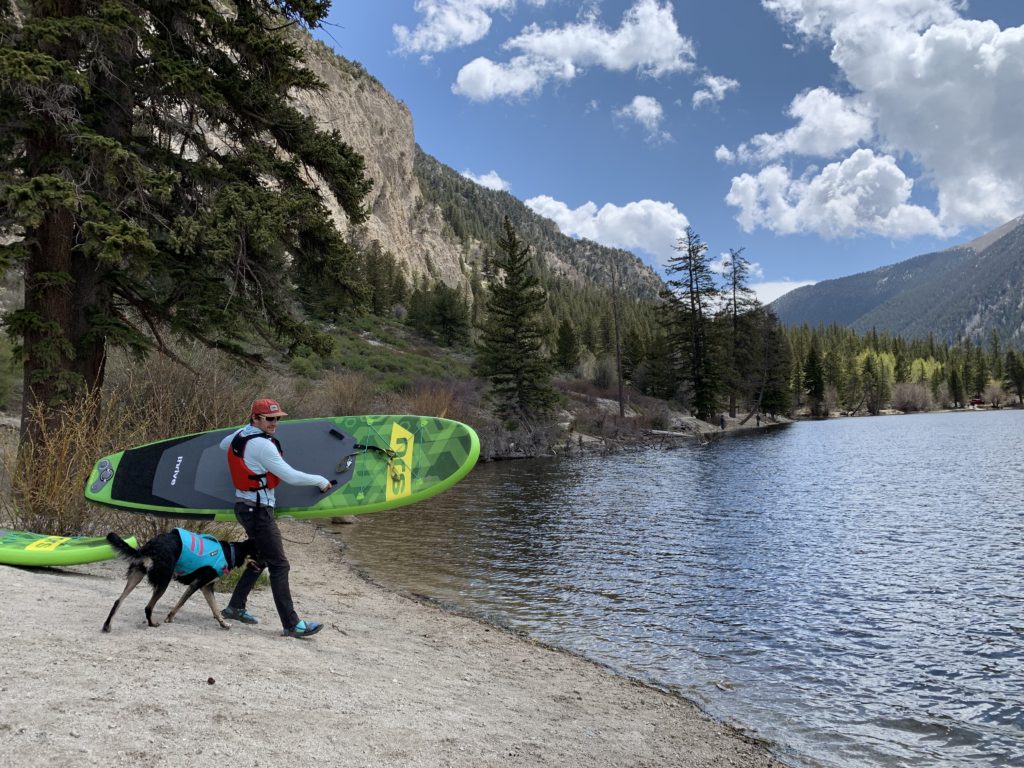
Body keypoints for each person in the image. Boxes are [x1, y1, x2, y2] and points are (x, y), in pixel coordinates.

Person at [220, 398, 331, 638]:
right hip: (258, 511)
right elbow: (289, 476)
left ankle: (235, 607)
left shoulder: (241, 435)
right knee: (280, 565)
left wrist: (245, 436)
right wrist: (320, 481)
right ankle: (291, 624)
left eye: (278, 418)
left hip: (246, 507)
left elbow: (222, 445)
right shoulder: (263, 446)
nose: (275, 423)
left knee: (261, 557)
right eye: (270, 419)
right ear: (256, 418)